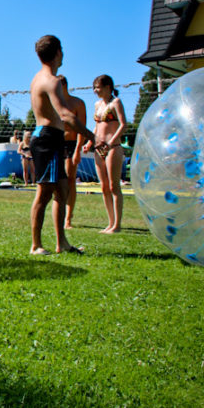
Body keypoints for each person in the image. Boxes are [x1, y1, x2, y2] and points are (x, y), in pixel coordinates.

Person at [28, 35, 99, 255]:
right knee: (44, 193)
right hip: (47, 139)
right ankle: (36, 245)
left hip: (49, 137)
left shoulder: (38, 78)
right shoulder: (52, 81)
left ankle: (62, 244)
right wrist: (92, 136)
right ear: (58, 52)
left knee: (62, 189)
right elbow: (66, 115)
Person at [85, 74, 126, 234]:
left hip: (113, 147)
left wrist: (111, 142)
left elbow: (123, 124)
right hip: (99, 148)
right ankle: (110, 222)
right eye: (94, 88)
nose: (96, 91)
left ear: (108, 87)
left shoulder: (116, 103)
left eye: (98, 87)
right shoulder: (97, 105)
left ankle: (117, 224)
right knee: (104, 187)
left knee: (114, 186)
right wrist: (90, 142)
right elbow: (97, 126)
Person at [57, 75, 87, 229]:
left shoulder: (77, 103)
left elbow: (81, 128)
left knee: (70, 179)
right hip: (56, 143)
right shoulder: (54, 103)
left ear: (64, 85)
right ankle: (60, 214)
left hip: (71, 144)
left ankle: (68, 217)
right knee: (57, 181)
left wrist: (78, 149)